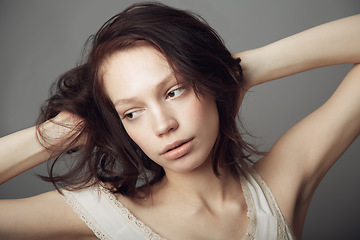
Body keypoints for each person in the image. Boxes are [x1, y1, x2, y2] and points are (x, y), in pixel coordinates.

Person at [0, 2, 359, 239]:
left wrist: (240, 70)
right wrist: (59, 133)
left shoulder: (282, 185)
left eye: (174, 91)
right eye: (131, 112)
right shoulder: (103, 214)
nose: (162, 125)